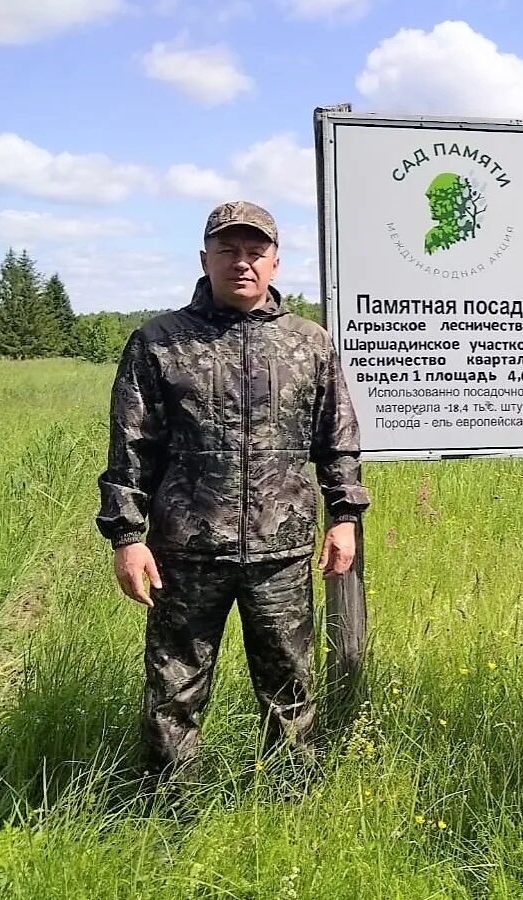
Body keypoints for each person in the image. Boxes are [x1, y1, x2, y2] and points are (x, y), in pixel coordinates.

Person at [96, 200, 370, 776]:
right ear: (204, 259)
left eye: (254, 252)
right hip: (187, 552)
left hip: (281, 552)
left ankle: (290, 806)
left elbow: (337, 438)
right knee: (175, 692)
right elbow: (131, 446)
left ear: (275, 263)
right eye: (228, 250)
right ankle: (172, 815)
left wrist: (343, 516)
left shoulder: (309, 344)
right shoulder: (159, 342)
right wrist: (127, 536)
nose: (241, 262)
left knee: (290, 688)